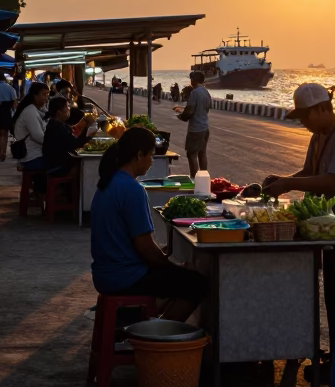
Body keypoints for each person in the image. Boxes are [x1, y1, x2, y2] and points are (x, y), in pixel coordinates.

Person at [263, 83, 335, 382]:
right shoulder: (320, 136)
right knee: (333, 297)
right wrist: (282, 179)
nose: (303, 123)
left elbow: (334, 182)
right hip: (329, 229)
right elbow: (310, 173)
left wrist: (289, 184)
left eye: (305, 117)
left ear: (323, 109)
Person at [90, 127, 208, 319]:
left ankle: (144, 323)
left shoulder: (108, 182)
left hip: (104, 274)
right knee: (197, 285)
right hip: (125, 277)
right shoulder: (133, 190)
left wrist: (164, 258)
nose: (152, 162)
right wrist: (172, 267)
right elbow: (146, 248)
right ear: (139, 155)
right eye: (151, 156)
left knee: (177, 278)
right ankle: (159, 339)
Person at [42, 95, 96, 176]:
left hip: (55, 162)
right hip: (56, 167)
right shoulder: (57, 128)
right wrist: (87, 127)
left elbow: (74, 137)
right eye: (67, 107)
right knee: (85, 165)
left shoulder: (56, 124)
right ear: (59, 113)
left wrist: (84, 125)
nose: (69, 109)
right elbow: (77, 144)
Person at [175, 71, 212, 178]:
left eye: (191, 79)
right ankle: (204, 178)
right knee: (202, 153)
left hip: (196, 129)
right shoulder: (206, 92)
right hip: (205, 127)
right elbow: (206, 108)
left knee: (191, 154)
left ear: (194, 79)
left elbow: (190, 111)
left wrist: (181, 116)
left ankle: (195, 180)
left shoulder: (194, 93)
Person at [12, 82, 50, 173]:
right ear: (35, 96)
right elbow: (39, 137)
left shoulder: (36, 110)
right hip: (31, 156)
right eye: (44, 94)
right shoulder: (30, 112)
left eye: (47, 94)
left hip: (35, 154)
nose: (46, 98)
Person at [0, 72, 17, 161]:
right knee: (5, 134)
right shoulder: (11, 88)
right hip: (7, 112)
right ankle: (3, 154)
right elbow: (15, 104)